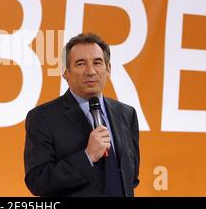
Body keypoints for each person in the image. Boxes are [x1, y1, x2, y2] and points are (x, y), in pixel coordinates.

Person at [24, 33, 139, 196]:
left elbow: (131, 177)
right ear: (65, 72)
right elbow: (38, 181)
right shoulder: (42, 117)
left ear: (108, 69)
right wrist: (87, 156)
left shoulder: (127, 114)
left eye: (97, 62)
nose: (90, 71)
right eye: (80, 64)